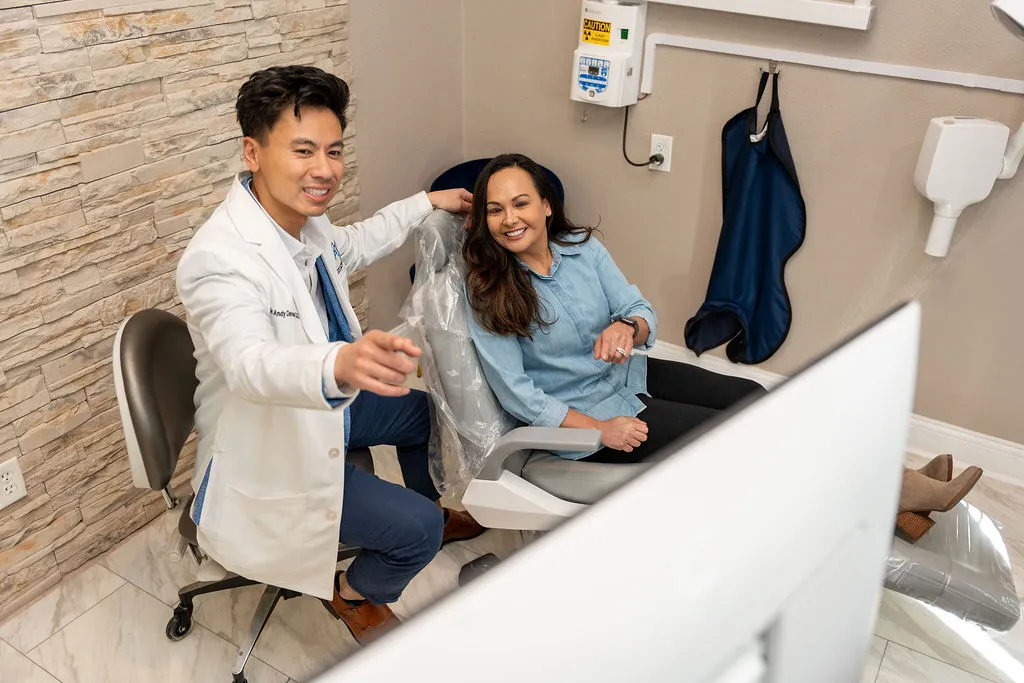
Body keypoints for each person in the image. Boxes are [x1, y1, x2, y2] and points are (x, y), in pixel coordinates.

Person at [176, 65, 483, 645]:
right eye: (303, 151)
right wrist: (336, 365)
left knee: (422, 414)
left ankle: (425, 516)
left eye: (333, 150)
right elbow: (248, 363)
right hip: (264, 446)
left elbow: (356, 241)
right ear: (253, 152)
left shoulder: (302, 227)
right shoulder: (219, 259)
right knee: (414, 531)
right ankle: (357, 592)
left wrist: (427, 201)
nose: (324, 170)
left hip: (320, 408)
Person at [463, 153, 766, 463]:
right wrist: (599, 429)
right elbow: (516, 393)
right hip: (585, 415)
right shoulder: (489, 291)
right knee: (728, 438)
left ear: (546, 205)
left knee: (756, 398)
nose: (509, 219)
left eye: (521, 203)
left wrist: (627, 327)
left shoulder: (582, 247)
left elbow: (638, 309)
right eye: (495, 210)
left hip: (627, 376)